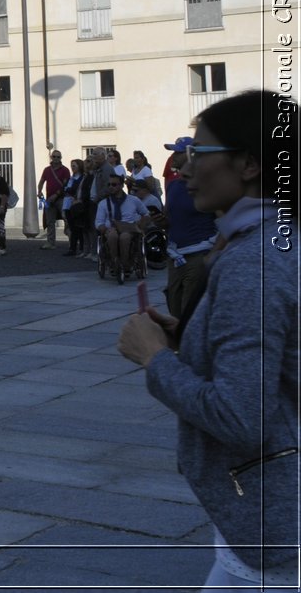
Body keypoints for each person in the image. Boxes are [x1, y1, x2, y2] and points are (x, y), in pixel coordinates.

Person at [118, 90, 298, 590]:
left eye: (199, 154)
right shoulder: (277, 238)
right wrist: (189, 340)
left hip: (279, 523)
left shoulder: (254, 261)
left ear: (250, 164)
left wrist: (154, 359)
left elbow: (244, 418)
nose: (182, 168)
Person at [159, 137, 218, 322]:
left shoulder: (208, 186)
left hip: (198, 253)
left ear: (191, 155)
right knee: (174, 304)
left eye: (177, 152)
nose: (173, 157)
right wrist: (161, 221)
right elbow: (169, 217)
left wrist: (211, 253)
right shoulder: (174, 186)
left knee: (190, 308)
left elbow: (222, 219)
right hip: (176, 254)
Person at [94, 172, 148, 282]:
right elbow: (98, 222)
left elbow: (146, 214)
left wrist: (140, 226)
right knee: (113, 235)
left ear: (121, 185)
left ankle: (126, 263)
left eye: (114, 185)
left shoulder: (133, 200)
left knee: (125, 237)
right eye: (109, 185)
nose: (111, 187)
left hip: (128, 228)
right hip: (111, 229)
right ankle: (114, 263)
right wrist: (104, 228)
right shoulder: (103, 203)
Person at [37, 151, 70, 250]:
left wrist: (56, 195)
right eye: (54, 156)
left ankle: (71, 241)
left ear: (61, 158)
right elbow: (41, 182)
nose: (56, 158)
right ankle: (50, 242)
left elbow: (66, 185)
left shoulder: (65, 170)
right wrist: (39, 191)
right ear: (51, 157)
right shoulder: (47, 170)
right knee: (50, 221)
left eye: (58, 157)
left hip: (61, 199)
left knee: (67, 219)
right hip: (49, 199)